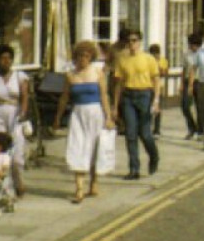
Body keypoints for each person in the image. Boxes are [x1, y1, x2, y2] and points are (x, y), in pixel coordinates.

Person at [52, 40, 115, 204]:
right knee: (78, 147)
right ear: (76, 57)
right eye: (80, 56)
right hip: (78, 114)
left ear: (91, 57)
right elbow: (64, 97)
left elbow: (104, 96)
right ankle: (79, 189)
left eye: (87, 56)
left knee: (94, 148)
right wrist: (58, 118)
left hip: (95, 113)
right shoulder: (70, 75)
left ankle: (94, 181)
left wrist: (108, 117)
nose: (83, 59)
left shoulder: (97, 73)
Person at [0, 43, 32, 198]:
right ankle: (3, 188)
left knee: (16, 156)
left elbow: (24, 97)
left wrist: (23, 112)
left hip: (15, 114)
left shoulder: (20, 76)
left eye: (9, 58)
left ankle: (19, 182)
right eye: (3, 58)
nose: (6, 61)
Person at [111, 29, 160, 179]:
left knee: (145, 133)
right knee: (130, 134)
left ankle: (154, 156)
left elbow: (156, 81)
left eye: (134, 40)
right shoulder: (121, 59)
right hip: (128, 96)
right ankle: (134, 169)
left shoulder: (148, 59)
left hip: (144, 94)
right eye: (129, 41)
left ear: (140, 42)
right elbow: (118, 83)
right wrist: (115, 105)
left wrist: (156, 101)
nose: (131, 44)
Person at [180, 30, 204, 139]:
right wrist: (181, 83)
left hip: (199, 81)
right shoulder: (186, 54)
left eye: (193, 45)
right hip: (187, 81)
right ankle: (191, 127)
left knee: (200, 107)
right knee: (185, 106)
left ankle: (201, 131)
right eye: (190, 44)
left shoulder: (203, 54)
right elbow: (184, 68)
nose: (191, 47)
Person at [148, 43, 169, 135]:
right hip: (148, 86)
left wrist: (158, 69)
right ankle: (147, 127)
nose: (155, 56)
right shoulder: (148, 60)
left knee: (157, 108)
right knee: (147, 108)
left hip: (158, 87)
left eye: (156, 54)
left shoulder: (162, 60)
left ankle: (157, 129)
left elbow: (164, 72)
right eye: (153, 54)